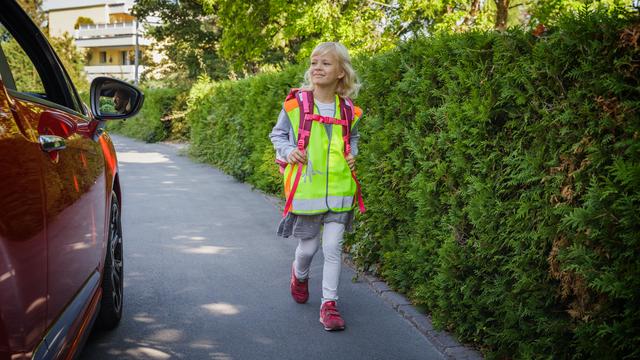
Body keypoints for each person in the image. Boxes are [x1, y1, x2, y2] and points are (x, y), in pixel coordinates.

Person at [269, 42, 363, 331]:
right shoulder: (295, 104)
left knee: (333, 247)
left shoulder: (348, 109)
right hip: (307, 191)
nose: (317, 68)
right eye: (314, 63)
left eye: (325, 63)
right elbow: (278, 135)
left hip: (340, 189)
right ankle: (299, 274)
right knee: (308, 248)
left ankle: (329, 305)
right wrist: (288, 152)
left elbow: (354, 139)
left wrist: (353, 153)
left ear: (340, 72)